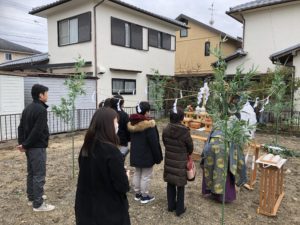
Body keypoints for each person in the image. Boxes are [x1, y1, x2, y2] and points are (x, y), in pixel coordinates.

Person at [75, 108, 130, 225]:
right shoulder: (112, 151)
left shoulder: (86, 147)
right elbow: (122, 186)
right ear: (108, 125)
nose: (118, 125)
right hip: (108, 211)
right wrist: (126, 176)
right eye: (116, 121)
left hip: (86, 207)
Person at [17, 84, 55, 212]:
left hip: (29, 147)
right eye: (46, 93)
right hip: (37, 147)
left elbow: (20, 127)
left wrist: (22, 143)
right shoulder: (41, 110)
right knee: (39, 175)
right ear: (40, 95)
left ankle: (32, 197)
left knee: (32, 173)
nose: (47, 95)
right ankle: (38, 204)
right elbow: (37, 131)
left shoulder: (27, 108)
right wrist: (25, 144)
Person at [127, 101, 162, 204]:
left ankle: (137, 193)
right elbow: (154, 143)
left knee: (137, 173)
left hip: (136, 153)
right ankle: (144, 196)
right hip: (146, 155)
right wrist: (157, 156)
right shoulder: (149, 125)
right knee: (145, 176)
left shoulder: (132, 123)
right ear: (146, 112)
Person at [162, 107, 193, 216]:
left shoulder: (165, 129)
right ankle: (179, 209)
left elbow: (165, 143)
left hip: (170, 160)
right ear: (182, 117)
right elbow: (190, 147)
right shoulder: (185, 131)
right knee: (180, 186)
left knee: (170, 183)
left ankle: (171, 206)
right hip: (180, 162)